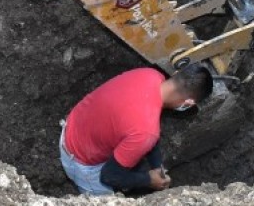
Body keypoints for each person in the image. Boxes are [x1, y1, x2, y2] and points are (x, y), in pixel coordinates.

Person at [59, 63, 212, 196]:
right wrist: (148, 180)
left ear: (176, 73)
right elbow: (109, 176)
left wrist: (157, 166)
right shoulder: (145, 131)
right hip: (81, 162)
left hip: (74, 125)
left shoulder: (150, 74)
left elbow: (147, 129)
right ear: (189, 102)